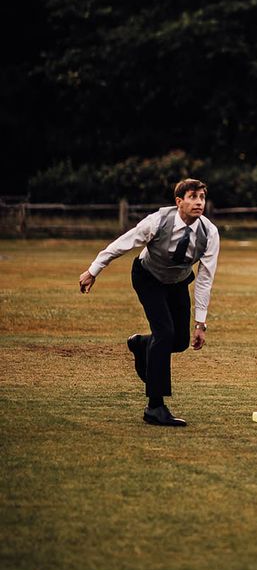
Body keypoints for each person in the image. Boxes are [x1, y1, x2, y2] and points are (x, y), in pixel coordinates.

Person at [78, 178, 220, 427]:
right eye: (193, 197)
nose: (199, 203)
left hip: (178, 282)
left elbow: (206, 278)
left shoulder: (209, 233)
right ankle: (155, 407)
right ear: (179, 202)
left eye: (202, 198)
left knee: (179, 341)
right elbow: (124, 243)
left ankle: (141, 344)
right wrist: (93, 270)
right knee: (164, 333)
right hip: (148, 277)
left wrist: (200, 323)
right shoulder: (158, 221)